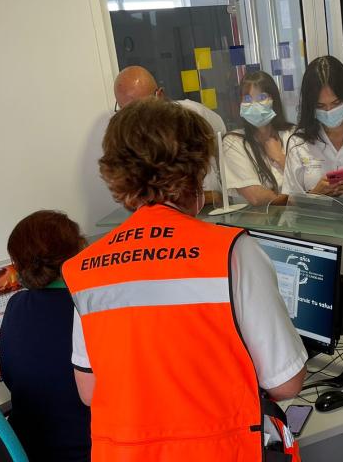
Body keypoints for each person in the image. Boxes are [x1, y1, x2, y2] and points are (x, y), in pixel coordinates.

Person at [63, 99, 306, 461]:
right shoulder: (231, 252)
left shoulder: (86, 267)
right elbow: (286, 384)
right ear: (196, 167)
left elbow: (89, 391)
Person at [0, 210, 91, 462]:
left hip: (28, 450)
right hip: (87, 450)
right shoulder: (91, 308)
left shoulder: (16, 305)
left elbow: (10, 378)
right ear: (80, 250)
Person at [114, 65, 226, 205]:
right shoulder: (125, 137)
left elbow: (222, 144)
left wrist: (219, 195)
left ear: (159, 95)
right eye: (126, 111)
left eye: (142, 107)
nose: (136, 118)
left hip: (209, 207)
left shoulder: (192, 117)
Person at [283, 55, 343, 209]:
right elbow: (291, 203)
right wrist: (314, 195)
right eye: (320, 106)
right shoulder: (299, 143)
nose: (329, 111)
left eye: (336, 103)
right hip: (318, 228)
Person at [222, 71, 294, 206]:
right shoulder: (234, 141)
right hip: (257, 223)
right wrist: (297, 199)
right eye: (247, 99)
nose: (255, 104)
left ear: (274, 100)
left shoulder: (292, 134)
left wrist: (280, 157)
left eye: (262, 97)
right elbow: (257, 197)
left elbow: (308, 182)